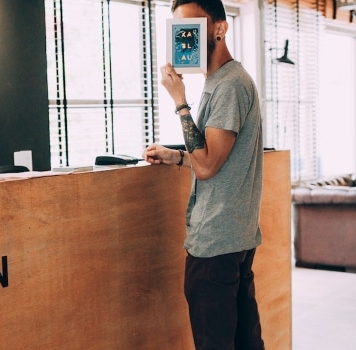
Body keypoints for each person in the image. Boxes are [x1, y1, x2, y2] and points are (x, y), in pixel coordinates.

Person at [142, 0, 264, 349]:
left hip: (215, 244)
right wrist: (177, 157)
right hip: (233, 237)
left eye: (192, 29)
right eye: (179, 31)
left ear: (219, 30)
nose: (184, 39)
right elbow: (213, 158)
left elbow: (208, 166)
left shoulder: (228, 85)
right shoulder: (223, 81)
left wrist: (179, 99)